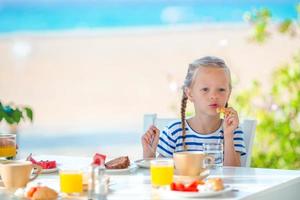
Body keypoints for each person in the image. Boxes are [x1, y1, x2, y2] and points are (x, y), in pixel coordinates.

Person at [141, 56, 246, 166]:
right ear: (190, 94)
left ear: (229, 94)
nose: (214, 96)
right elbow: (160, 173)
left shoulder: (233, 131)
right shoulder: (174, 132)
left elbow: (234, 175)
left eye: (221, 90)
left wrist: (228, 135)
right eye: (205, 89)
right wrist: (149, 156)